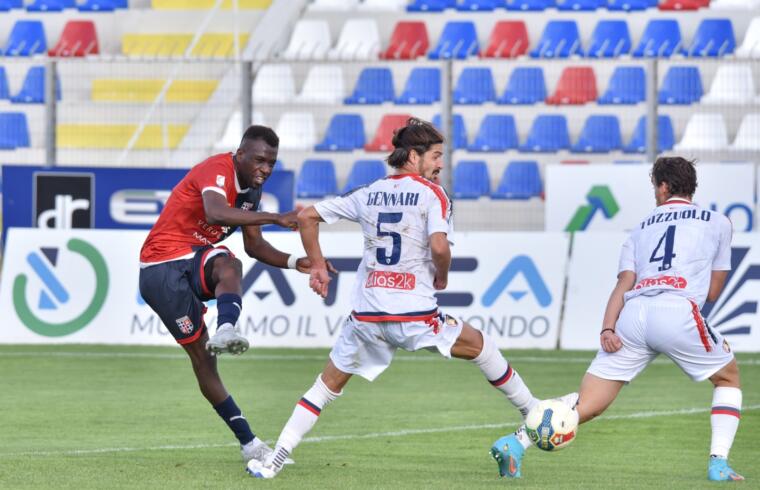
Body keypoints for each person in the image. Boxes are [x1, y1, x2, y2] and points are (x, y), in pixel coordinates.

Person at [246, 117, 540, 479]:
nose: (440, 164)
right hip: (414, 315)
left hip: (367, 318)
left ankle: (276, 458)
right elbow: (438, 246)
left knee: (325, 387)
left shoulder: (368, 191)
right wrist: (442, 274)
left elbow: (307, 216)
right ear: (414, 156)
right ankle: (533, 411)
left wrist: (318, 265)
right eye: (435, 155)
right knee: (481, 346)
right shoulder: (433, 195)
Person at [492, 157, 743, 482]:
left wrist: (607, 328)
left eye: (655, 186)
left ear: (664, 186)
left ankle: (516, 442)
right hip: (678, 310)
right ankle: (718, 464)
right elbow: (712, 292)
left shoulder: (641, 227)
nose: (655, 193)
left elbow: (624, 283)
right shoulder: (718, 222)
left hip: (633, 315)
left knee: (589, 404)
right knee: (728, 378)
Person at [139, 125, 313, 465]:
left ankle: (249, 443)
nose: (266, 168)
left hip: (189, 261)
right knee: (223, 271)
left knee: (228, 269)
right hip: (160, 266)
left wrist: (296, 262)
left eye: (272, 163)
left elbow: (256, 246)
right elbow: (215, 212)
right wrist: (277, 217)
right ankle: (226, 329)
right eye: (260, 160)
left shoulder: (251, 194)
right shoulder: (217, 168)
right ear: (240, 155)